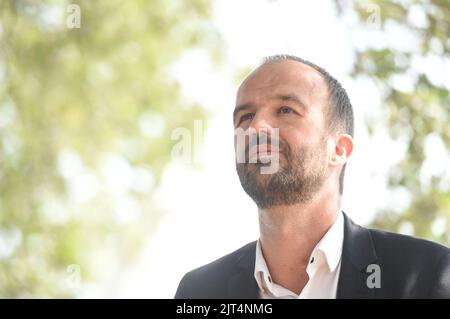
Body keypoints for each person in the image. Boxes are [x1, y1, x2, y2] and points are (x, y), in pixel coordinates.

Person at [174, 55, 450, 299]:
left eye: (285, 110)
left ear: (339, 150)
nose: (256, 127)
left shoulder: (425, 274)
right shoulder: (198, 291)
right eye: (246, 116)